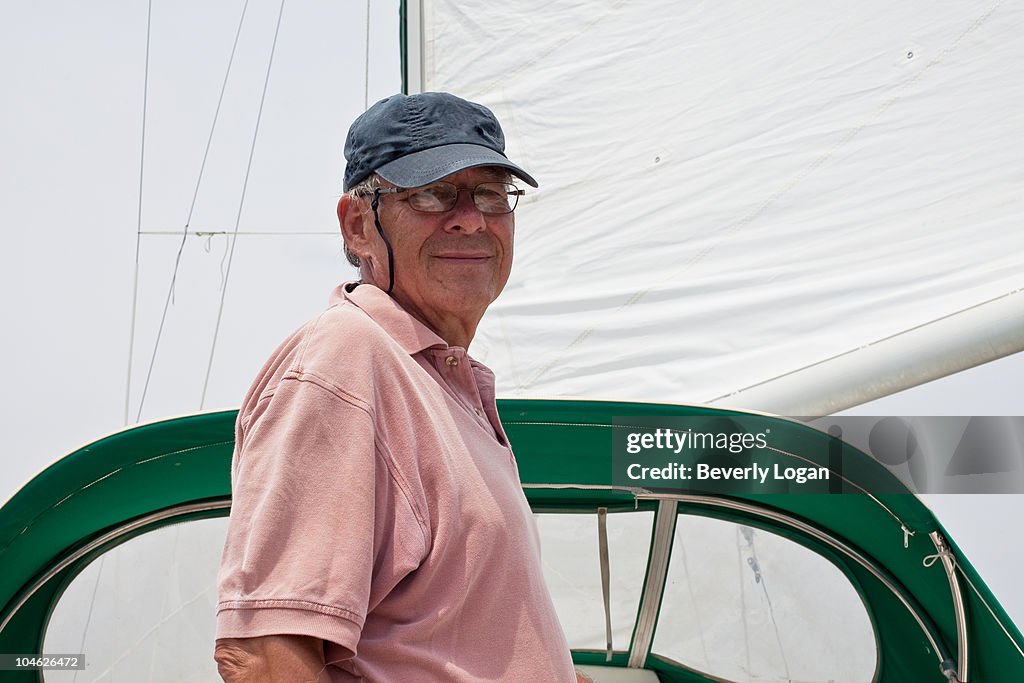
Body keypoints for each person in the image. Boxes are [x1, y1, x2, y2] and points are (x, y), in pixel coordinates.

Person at [214, 92, 587, 682]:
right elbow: (265, 654)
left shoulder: (436, 382)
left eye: (491, 193)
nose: (470, 217)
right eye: (431, 193)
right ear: (359, 225)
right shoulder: (346, 365)